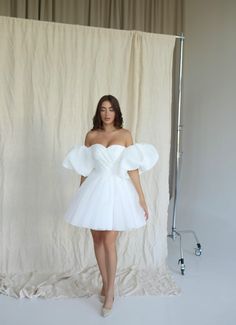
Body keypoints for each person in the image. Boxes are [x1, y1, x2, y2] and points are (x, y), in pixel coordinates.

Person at [62, 94, 159, 317]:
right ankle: (105, 283)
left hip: (117, 191)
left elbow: (132, 167)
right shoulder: (91, 135)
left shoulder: (124, 135)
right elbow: (85, 168)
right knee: (96, 239)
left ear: (117, 112)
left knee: (109, 241)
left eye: (111, 109)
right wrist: (80, 195)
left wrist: (141, 198)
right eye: (103, 109)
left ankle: (111, 291)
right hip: (94, 190)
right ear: (98, 112)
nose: (107, 113)